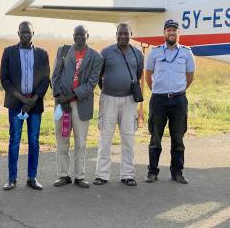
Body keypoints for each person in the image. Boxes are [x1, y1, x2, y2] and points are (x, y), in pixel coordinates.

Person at [0, 21, 50, 191]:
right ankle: (11, 178)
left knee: (34, 141)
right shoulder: (8, 52)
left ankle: (32, 178)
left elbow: (45, 80)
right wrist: (22, 99)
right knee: (14, 140)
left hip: (34, 105)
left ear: (33, 33)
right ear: (18, 33)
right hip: (16, 104)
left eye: (28, 32)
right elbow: (5, 79)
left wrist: (32, 100)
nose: (25, 35)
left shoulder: (42, 54)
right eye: (23, 32)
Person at [51, 25, 103, 188]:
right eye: (76, 35)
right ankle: (63, 175)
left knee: (80, 142)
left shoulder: (96, 57)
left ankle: (79, 176)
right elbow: (55, 76)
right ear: (73, 35)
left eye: (82, 34)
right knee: (62, 140)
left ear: (87, 35)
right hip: (61, 104)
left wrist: (70, 97)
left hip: (81, 104)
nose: (79, 37)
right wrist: (61, 99)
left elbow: (91, 84)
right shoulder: (63, 51)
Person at [144, 19, 195, 184]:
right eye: (168, 30)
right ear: (164, 33)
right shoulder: (155, 52)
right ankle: (152, 172)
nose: (171, 33)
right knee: (155, 138)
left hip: (179, 100)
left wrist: (177, 90)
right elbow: (148, 75)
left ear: (178, 33)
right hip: (158, 100)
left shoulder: (187, 53)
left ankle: (177, 173)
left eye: (174, 30)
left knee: (178, 138)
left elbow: (189, 77)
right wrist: (158, 91)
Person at [94, 23, 144, 187]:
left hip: (129, 101)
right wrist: (109, 89)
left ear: (130, 34)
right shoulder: (106, 52)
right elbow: (99, 76)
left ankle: (127, 174)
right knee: (105, 138)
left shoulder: (137, 54)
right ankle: (102, 175)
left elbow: (137, 75)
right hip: (108, 99)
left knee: (128, 139)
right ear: (116, 34)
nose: (123, 36)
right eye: (120, 33)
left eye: (126, 33)